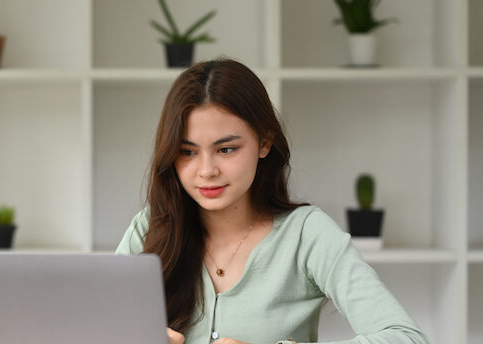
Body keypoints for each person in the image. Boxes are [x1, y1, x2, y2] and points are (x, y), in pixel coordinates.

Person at [115, 58, 429, 344]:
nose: (206, 171)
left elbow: (406, 338)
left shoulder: (307, 234)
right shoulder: (149, 229)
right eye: (187, 152)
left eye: (226, 149)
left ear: (264, 143)